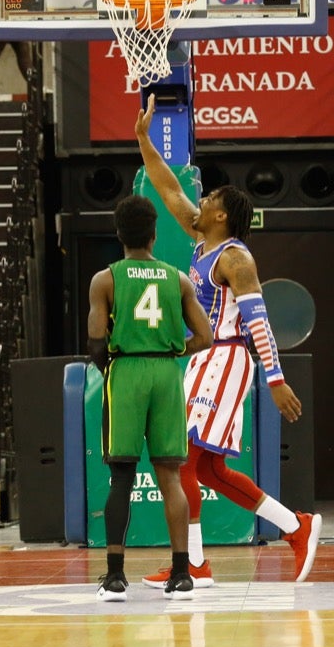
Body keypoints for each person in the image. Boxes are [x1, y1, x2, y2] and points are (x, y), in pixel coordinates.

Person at [134, 98, 321, 588]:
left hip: (227, 357)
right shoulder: (203, 244)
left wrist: (276, 380)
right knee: (211, 470)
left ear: (220, 214)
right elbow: (168, 188)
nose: (199, 202)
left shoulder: (236, 259)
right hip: (205, 360)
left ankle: (193, 563)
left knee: (179, 458)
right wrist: (143, 140)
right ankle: (295, 526)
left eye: (209, 199)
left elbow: (260, 322)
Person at [86, 196, 214, 601]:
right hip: (165, 373)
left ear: (119, 234)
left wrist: (114, 371)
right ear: (155, 235)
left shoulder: (105, 280)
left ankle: (114, 577)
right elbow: (206, 336)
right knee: (171, 476)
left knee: (122, 476)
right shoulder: (178, 280)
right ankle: (182, 574)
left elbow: (95, 341)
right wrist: (173, 350)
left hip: (126, 371)